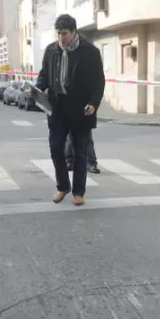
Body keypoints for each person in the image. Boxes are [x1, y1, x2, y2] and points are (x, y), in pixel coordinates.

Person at [35, 14, 105, 206]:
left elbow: (99, 82)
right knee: (56, 148)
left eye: (64, 34)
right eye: (58, 34)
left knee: (80, 152)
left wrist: (94, 103)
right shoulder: (51, 50)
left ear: (74, 32)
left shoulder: (90, 52)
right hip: (57, 108)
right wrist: (37, 89)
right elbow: (44, 75)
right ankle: (62, 187)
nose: (61, 38)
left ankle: (78, 192)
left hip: (81, 109)